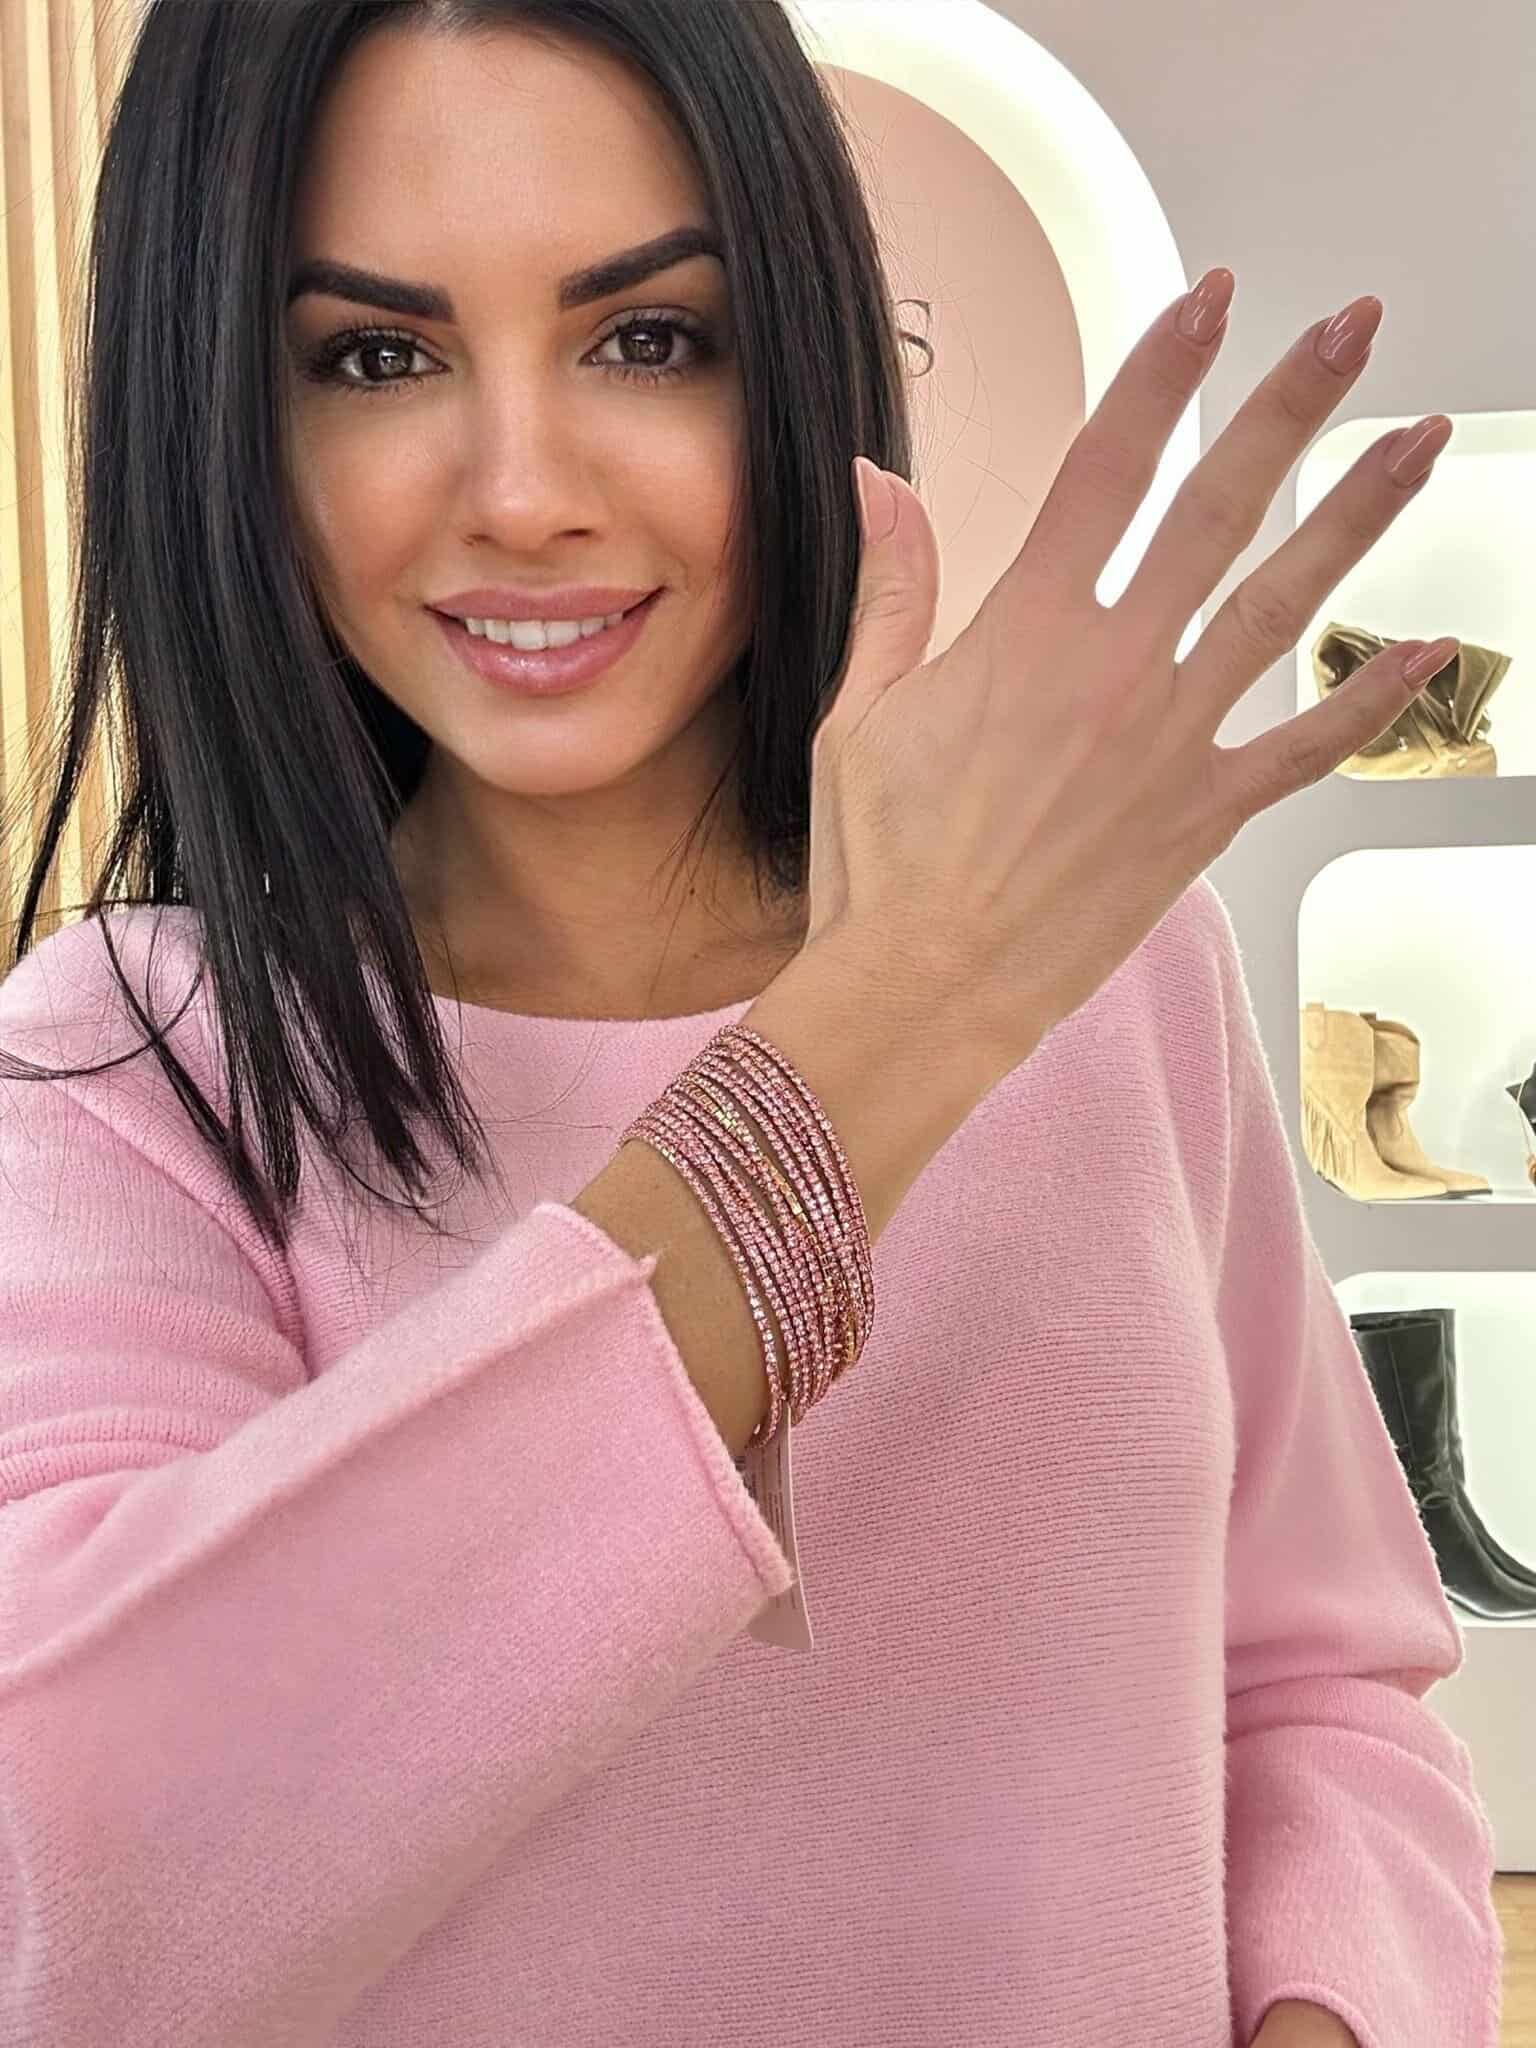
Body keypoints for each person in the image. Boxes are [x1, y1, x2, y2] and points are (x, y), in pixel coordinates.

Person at [0, 3, 1502, 2044]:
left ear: (792, 351)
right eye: (374, 358)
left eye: (646, 338)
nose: (523, 492)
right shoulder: (125, 1071)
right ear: (223, 421)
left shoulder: (1120, 969)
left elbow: (1320, 1683)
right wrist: (861, 1059)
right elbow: (86, 1902)